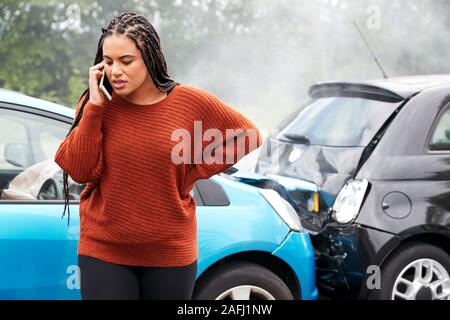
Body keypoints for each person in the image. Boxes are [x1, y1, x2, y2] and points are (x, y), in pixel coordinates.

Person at [54, 12, 262, 300]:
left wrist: (192, 171)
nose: (115, 71)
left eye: (126, 61)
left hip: (170, 254)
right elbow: (79, 170)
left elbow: (247, 135)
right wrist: (94, 109)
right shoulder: (96, 105)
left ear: (150, 58)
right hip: (104, 251)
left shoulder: (189, 101)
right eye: (109, 61)